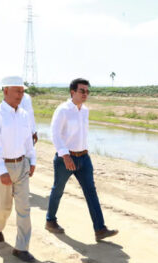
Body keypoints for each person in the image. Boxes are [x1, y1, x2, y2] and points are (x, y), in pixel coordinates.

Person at [45, 78, 118, 242]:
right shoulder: (63, 110)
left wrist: (84, 154)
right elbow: (55, 134)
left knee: (91, 192)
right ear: (73, 92)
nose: (85, 94)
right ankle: (50, 221)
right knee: (58, 190)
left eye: (87, 91)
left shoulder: (85, 110)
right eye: (82, 91)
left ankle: (100, 229)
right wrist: (65, 155)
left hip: (84, 158)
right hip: (66, 159)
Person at [0, 76, 36, 263]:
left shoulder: (23, 114)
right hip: (1, 166)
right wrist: (2, 170)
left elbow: (28, 141)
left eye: (22, 91)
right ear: (5, 90)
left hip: (21, 165)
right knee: (3, 208)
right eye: (17, 91)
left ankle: (21, 248)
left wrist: (32, 160)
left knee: (24, 208)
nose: (20, 95)